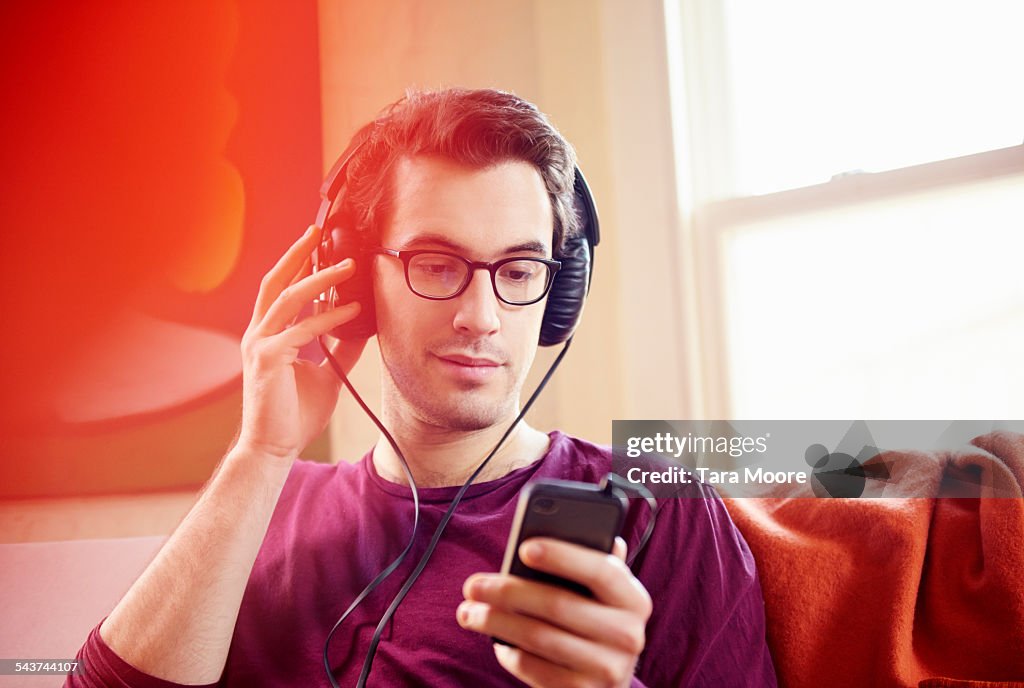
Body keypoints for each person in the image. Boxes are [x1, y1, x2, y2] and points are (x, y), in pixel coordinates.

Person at [67, 88, 776, 687]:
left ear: (560, 293)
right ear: (354, 278)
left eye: (521, 270)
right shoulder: (267, 507)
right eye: (437, 263)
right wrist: (260, 451)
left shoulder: (655, 510)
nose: (481, 318)